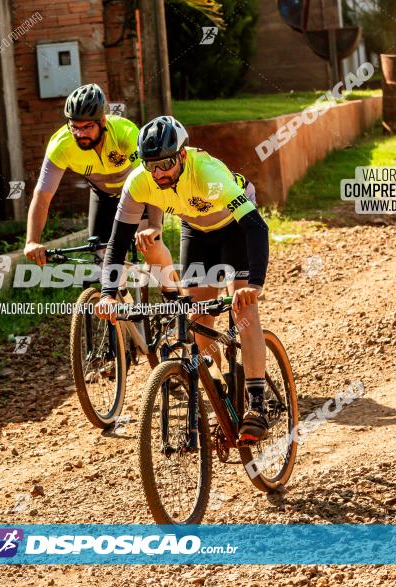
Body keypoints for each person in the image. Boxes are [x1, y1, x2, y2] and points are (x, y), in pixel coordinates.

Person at [94, 116, 272, 443]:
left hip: (235, 228)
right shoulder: (139, 183)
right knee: (199, 318)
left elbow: (256, 228)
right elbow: (118, 242)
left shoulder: (209, 174)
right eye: (151, 165)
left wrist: (253, 286)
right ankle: (223, 396)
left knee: (244, 312)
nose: (158, 173)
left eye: (164, 163)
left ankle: (258, 406)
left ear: (182, 155)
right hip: (197, 231)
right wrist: (108, 293)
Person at [23, 83, 172, 271]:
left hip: (137, 194)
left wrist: (154, 225)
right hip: (103, 196)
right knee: (104, 260)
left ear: (102, 121)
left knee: (150, 245)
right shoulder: (61, 145)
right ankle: (119, 298)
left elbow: (151, 180)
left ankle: (172, 291)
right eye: (74, 127)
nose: (79, 134)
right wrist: (32, 241)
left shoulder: (125, 132)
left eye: (86, 127)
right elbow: (43, 195)